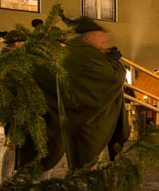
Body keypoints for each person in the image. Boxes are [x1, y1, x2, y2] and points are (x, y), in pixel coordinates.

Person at [26, 16, 130, 170]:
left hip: (86, 122)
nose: (104, 41)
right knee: (85, 169)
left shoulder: (83, 53)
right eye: (100, 36)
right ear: (88, 35)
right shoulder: (79, 55)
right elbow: (112, 80)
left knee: (89, 167)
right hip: (86, 125)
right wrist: (115, 62)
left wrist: (108, 60)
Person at [0, 29, 27, 183]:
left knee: (11, 142)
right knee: (11, 144)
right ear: (18, 43)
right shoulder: (11, 59)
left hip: (12, 107)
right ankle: (4, 179)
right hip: (13, 107)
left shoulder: (6, 56)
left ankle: (5, 178)